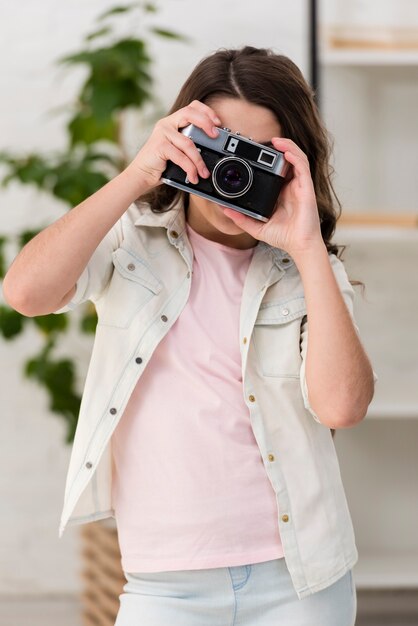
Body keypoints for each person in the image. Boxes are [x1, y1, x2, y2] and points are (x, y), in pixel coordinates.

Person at [3, 46, 375, 626]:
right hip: (163, 585)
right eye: (222, 149)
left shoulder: (309, 269)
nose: (236, 174)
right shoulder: (132, 239)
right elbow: (25, 294)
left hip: (301, 581)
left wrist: (304, 248)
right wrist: (138, 173)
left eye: (260, 158)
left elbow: (342, 406)